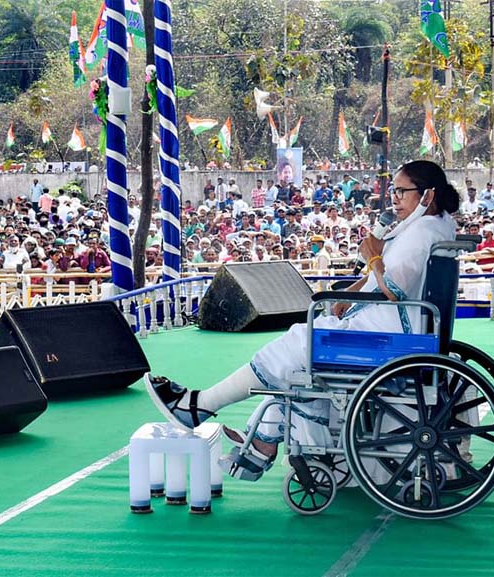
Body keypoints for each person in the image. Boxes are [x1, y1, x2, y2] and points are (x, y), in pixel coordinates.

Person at [146, 160, 460, 477]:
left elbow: (393, 288)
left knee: (297, 346)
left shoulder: (421, 232)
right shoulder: (433, 226)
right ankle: (257, 438)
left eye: (401, 191)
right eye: (393, 191)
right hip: (398, 328)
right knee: (297, 357)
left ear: (428, 195)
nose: (394, 199)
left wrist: (374, 255)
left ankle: (205, 409)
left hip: (392, 337)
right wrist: (348, 294)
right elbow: (382, 280)